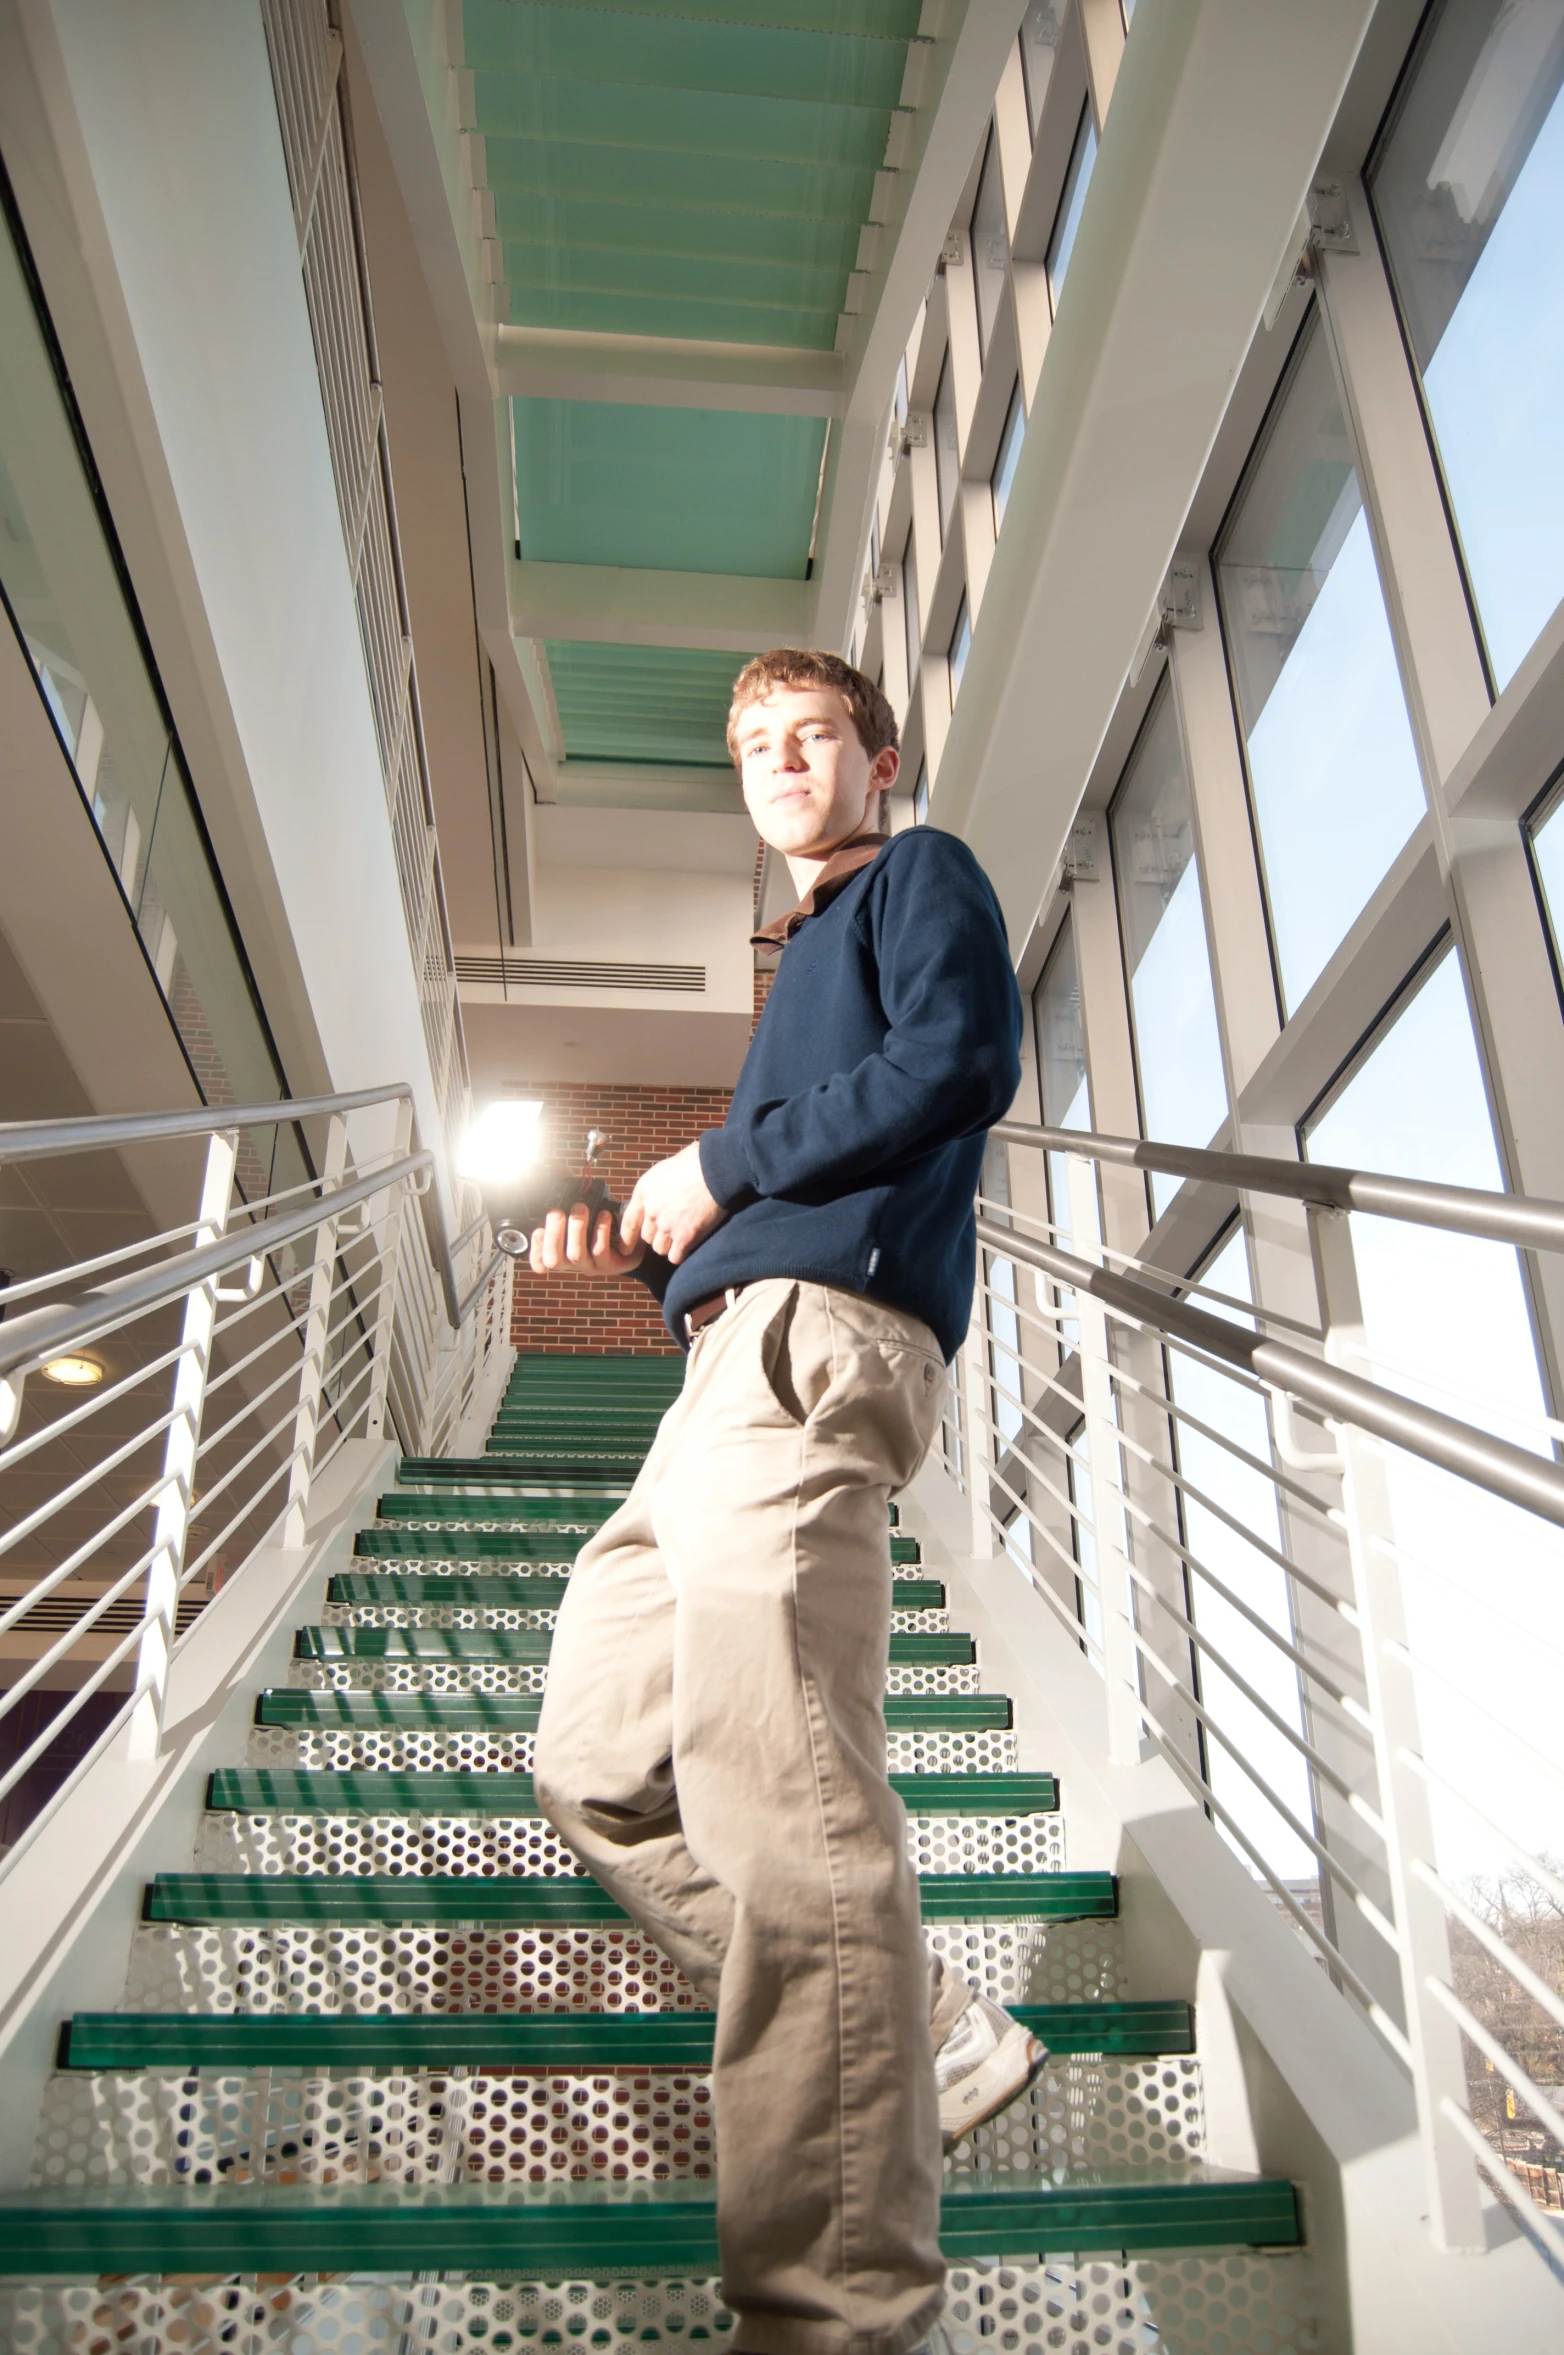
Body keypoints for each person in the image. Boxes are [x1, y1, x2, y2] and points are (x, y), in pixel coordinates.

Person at [529, 650, 1036, 2355]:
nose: (781, 762)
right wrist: (645, 1219)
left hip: (818, 1352)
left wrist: (726, 1164)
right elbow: (770, 1164)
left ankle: (839, 2313)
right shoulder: (803, 958)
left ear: (876, 760)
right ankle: (933, 2026)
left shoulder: (917, 876)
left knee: (781, 1794)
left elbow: (963, 1056)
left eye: (811, 735)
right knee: (597, 1756)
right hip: (715, 1373)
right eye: (754, 745)